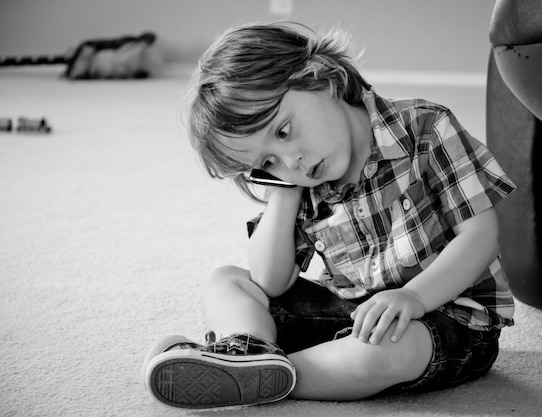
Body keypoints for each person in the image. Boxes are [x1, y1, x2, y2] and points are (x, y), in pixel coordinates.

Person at [142, 21, 516, 410]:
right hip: (351, 316)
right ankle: (248, 353)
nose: (292, 161)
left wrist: (414, 298)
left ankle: (263, 374)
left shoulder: (425, 129)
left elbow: (480, 234)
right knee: (226, 281)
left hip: (447, 320)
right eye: (267, 162)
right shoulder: (299, 181)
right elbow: (270, 281)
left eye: (284, 132)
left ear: (323, 79)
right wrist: (284, 193)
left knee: (382, 351)